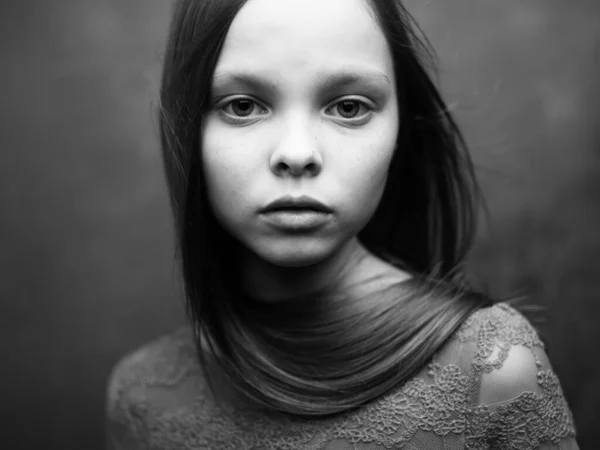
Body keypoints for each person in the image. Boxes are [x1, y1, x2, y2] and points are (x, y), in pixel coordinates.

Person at [105, 0, 579, 448]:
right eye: (244, 106)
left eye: (348, 107)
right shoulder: (141, 396)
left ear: (399, 130)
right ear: (186, 127)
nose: (296, 153)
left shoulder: (494, 369)